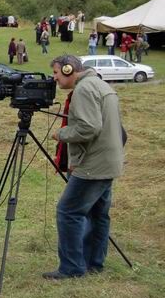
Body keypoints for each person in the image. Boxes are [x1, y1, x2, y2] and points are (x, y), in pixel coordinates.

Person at [47, 55, 124, 279]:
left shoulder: (83, 89)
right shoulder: (99, 84)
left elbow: (88, 128)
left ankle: (71, 268)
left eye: (56, 72)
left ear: (69, 69)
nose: (55, 78)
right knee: (98, 214)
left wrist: (61, 133)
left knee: (68, 212)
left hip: (92, 165)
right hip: (107, 161)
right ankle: (93, 263)